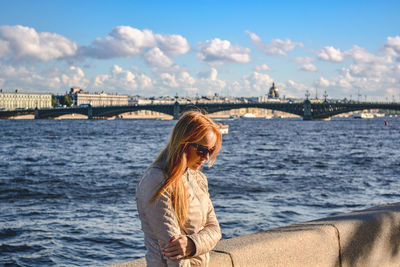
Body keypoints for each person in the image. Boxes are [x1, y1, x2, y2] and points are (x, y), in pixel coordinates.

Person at [136, 110, 223, 266]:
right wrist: (191, 245)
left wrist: (191, 244)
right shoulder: (157, 181)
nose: (206, 157)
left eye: (211, 151)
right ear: (183, 144)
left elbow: (215, 230)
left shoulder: (199, 179)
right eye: (202, 150)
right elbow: (174, 254)